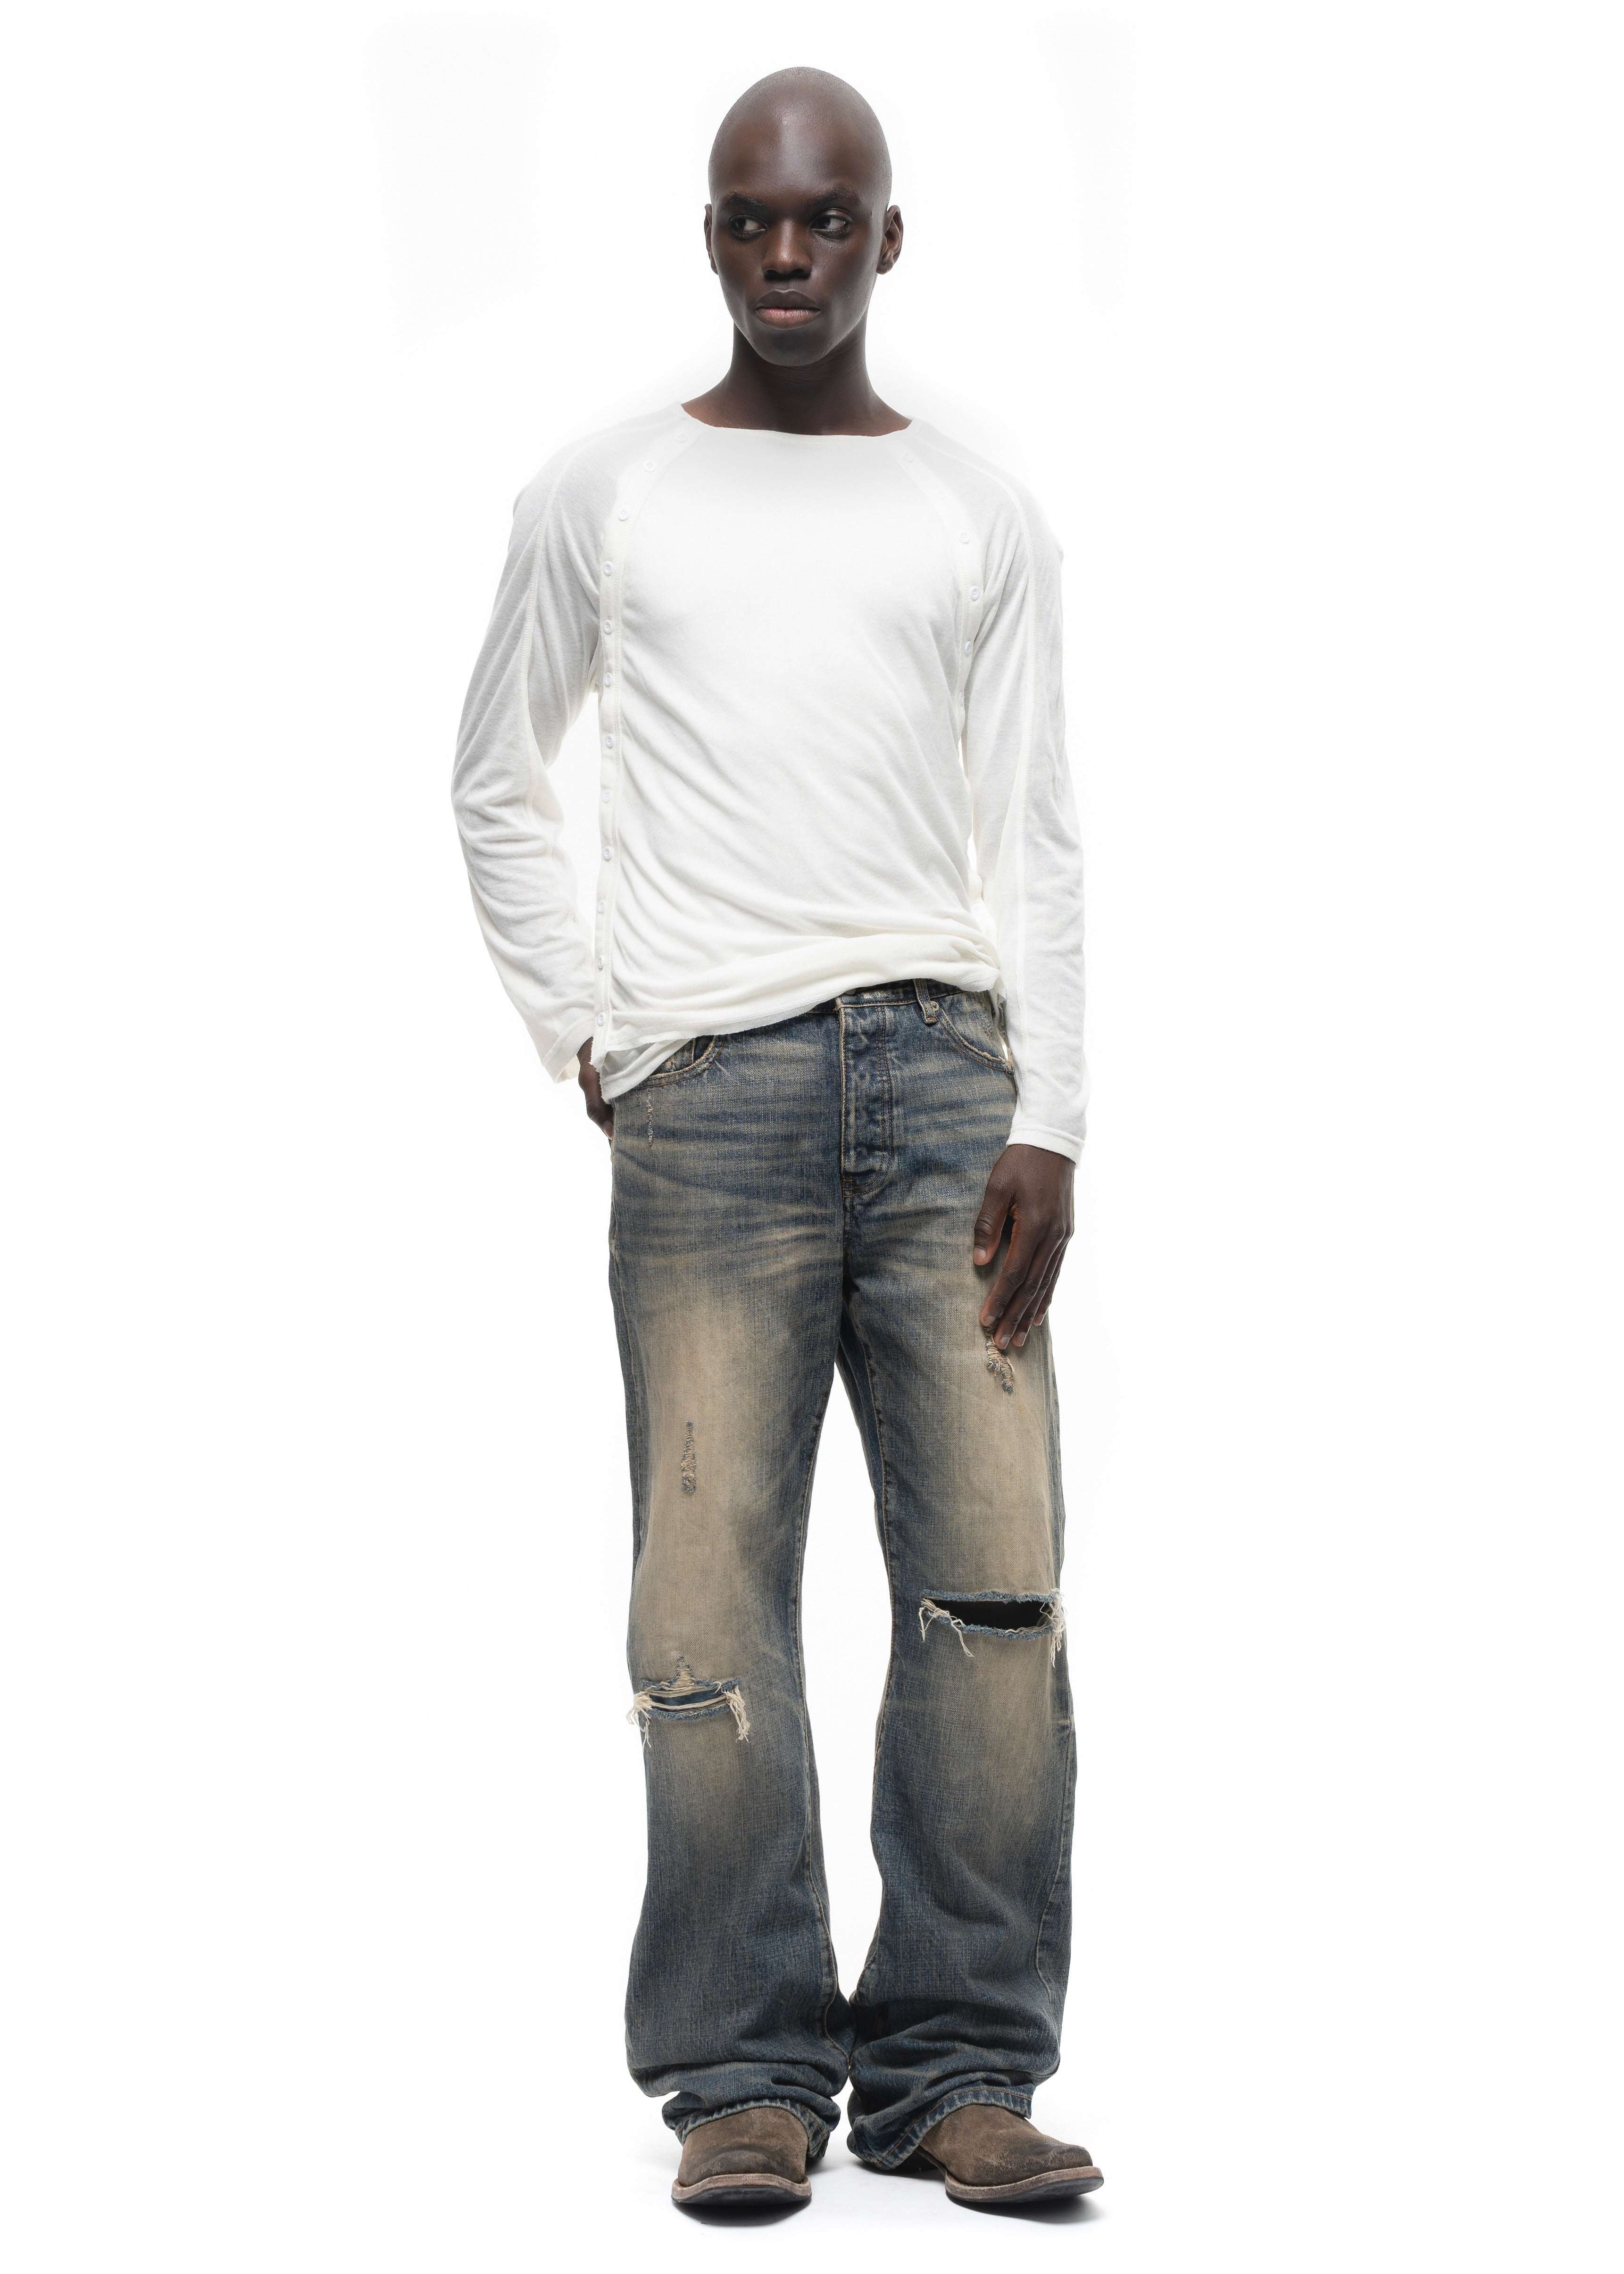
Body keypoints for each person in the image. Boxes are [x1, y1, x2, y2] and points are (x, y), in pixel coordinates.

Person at [452, 66, 1099, 2215]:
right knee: (705, 1606)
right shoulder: (608, 490)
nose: (789, 254)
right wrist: (589, 1034)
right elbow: (494, 775)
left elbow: (1038, 835)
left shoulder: (975, 512)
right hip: (707, 1106)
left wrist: (1052, 1117)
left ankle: (958, 2071)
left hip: (945, 1090)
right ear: (711, 236)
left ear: (888, 237)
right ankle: (740, 2073)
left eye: (828, 219)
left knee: (992, 1591)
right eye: (752, 219)